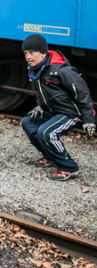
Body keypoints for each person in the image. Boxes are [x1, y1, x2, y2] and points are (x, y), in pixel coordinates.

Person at [20, 34, 95, 181]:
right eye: (25, 53)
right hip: (55, 111)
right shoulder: (36, 68)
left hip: (71, 113)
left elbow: (83, 94)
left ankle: (69, 167)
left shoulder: (61, 71)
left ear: (43, 53)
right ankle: (49, 156)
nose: (28, 57)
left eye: (32, 52)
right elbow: (41, 92)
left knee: (46, 132)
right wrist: (40, 106)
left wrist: (88, 120)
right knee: (28, 123)